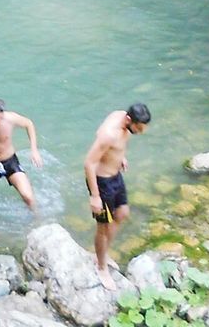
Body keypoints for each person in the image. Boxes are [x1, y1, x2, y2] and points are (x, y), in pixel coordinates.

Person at [83, 102, 151, 289]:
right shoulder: (109, 134)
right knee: (103, 227)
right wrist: (95, 196)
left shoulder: (120, 116)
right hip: (102, 183)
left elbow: (116, 142)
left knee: (122, 214)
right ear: (129, 120)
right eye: (138, 128)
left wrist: (119, 156)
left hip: (116, 177)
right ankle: (101, 267)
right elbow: (89, 163)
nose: (140, 132)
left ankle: (101, 254)